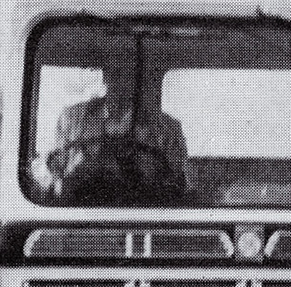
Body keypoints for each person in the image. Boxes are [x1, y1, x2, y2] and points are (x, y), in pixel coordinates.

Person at [46, 57, 187, 203]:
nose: (122, 83)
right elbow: (54, 172)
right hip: (80, 208)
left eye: (131, 75)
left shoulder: (166, 127)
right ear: (105, 76)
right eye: (116, 73)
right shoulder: (72, 119)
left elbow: (177, 183)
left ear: (140, 81)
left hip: (143, 210)